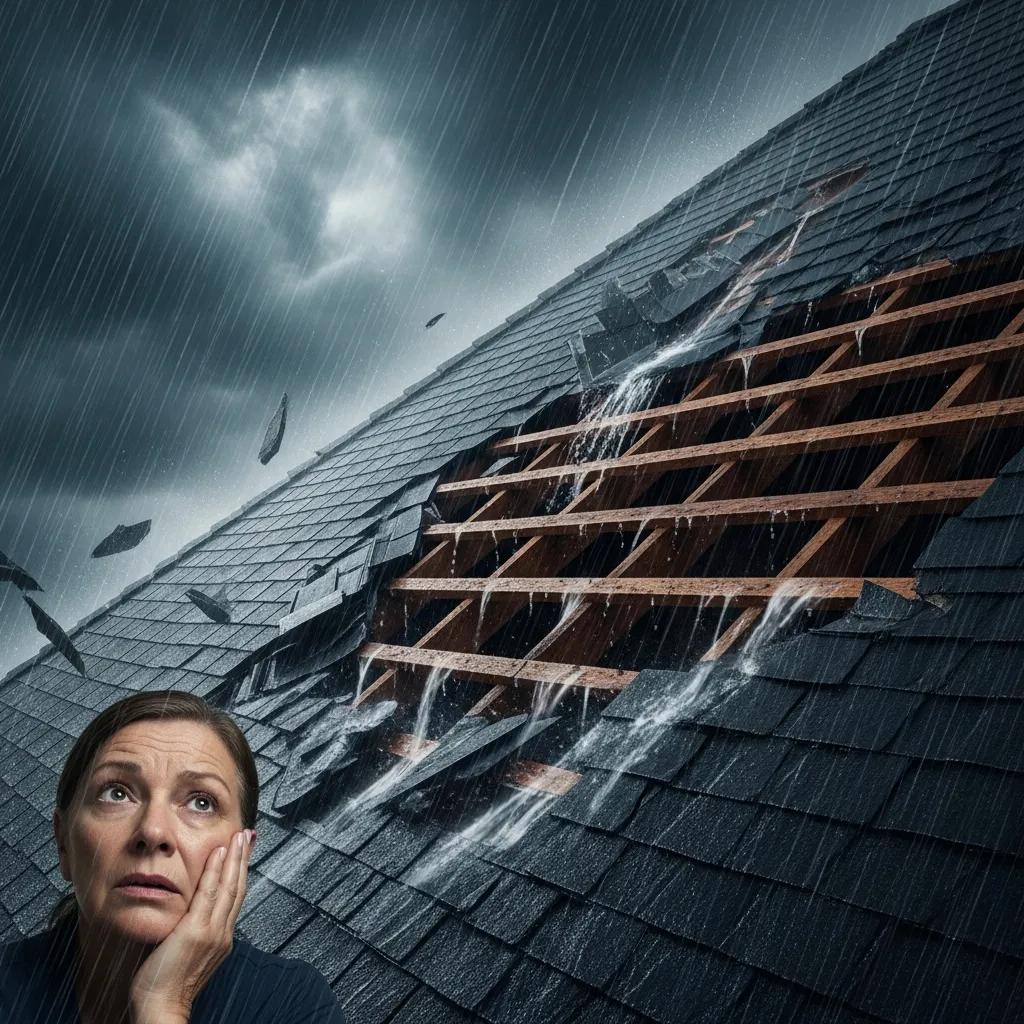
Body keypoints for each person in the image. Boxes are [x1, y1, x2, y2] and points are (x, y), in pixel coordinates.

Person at [0, 690, 346, 1023]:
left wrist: (162, 1004)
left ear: (242, 855)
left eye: (201, 802)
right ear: (63, 842)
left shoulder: (292, 1004)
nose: (153, 832)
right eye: (117, 793)